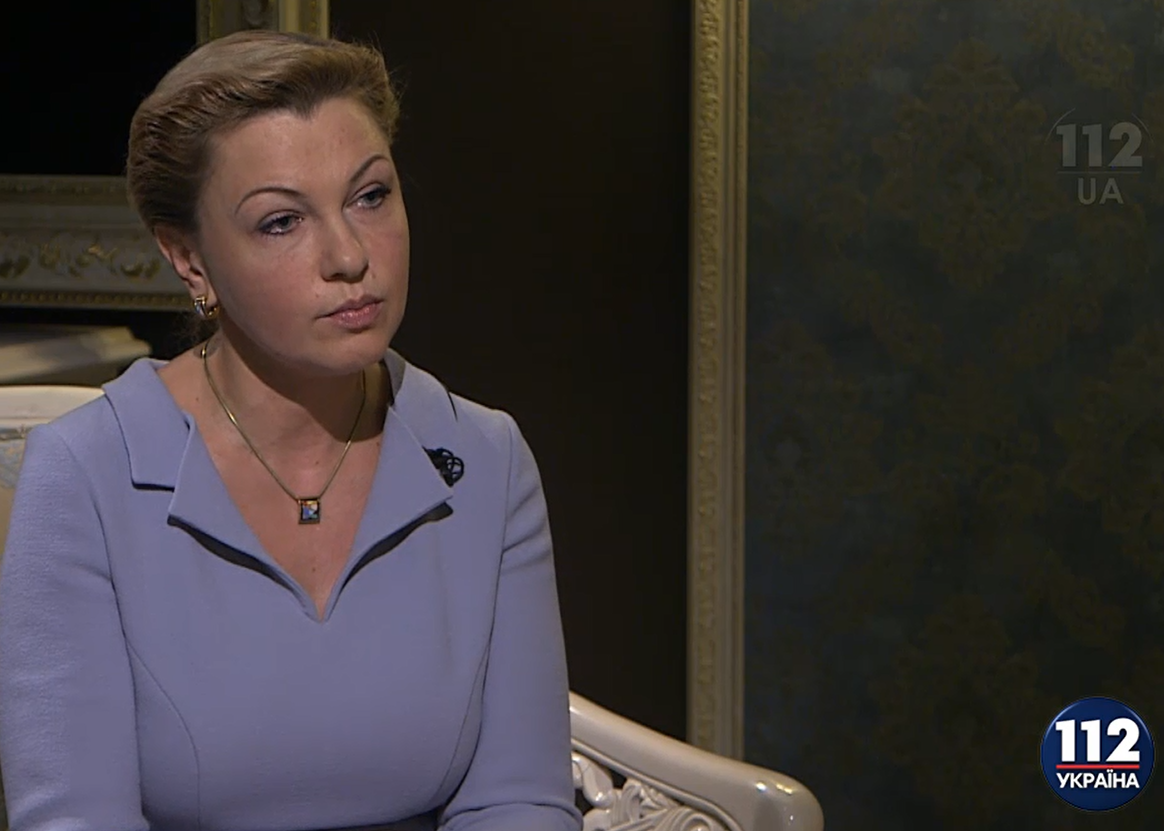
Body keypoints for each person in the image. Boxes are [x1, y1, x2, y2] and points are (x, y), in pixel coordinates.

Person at [0, 30, 581, 831]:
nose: (349, 255)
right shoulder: (85, 476)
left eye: (370, 196)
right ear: (189, 260)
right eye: (281, 222)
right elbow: (75, 818)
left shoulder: (486, 459)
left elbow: (519, 800)